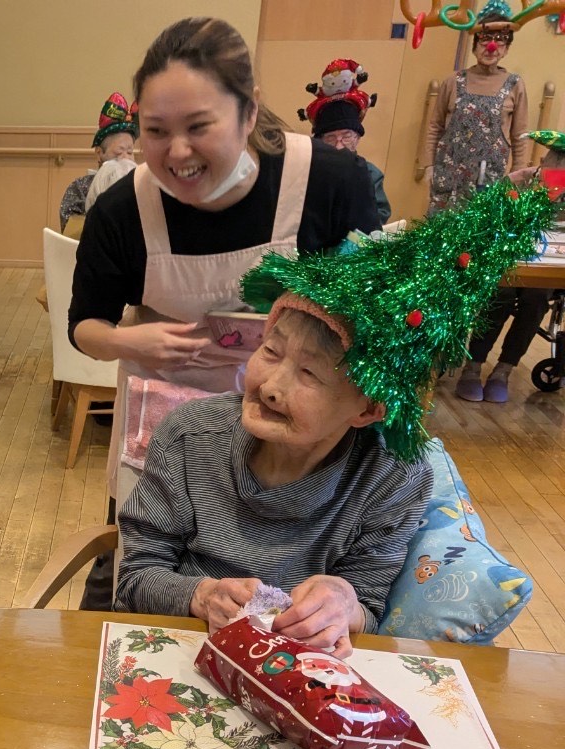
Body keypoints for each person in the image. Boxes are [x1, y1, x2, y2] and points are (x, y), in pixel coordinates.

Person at [115, 180, 555, 655]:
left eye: (308, 373)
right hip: (177, 649)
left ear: (367, 408)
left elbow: (367, 601)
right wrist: (199, 595)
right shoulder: (190, 437)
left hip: (299, 677)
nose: (271, 385)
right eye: (270, 350)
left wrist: (344, 602)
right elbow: (135, 579)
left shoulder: (392, 477)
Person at [67, 16, 379, 610]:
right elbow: (84, 326)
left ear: (249, 111)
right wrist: (133, 344)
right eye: (154, 130)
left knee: (278, 589)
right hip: (167, 420)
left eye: (199, 127)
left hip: (299, 432)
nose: (176, 153)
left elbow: (378, 323)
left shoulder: (328, 183)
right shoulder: (122, 210)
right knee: (138, 574)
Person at [455, 129, 565, 402]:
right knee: (501, 294)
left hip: (548, 267)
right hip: (505, 261)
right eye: (553, 175)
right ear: (541, 162)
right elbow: (486, 223)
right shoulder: (516, 182)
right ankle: (473, 366)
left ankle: (503, 370)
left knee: (536, 298)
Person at [423, 3, 529, 213]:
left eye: (500, 40)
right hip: (448, 179)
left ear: (507, 49)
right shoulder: (453, 81)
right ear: (474, 45)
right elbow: (435, 126)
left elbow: (520, 136)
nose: (491, 47)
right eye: (485, 39)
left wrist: (518, 175)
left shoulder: (515, 85)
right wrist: (429, 165)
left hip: (489, 180)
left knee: (480, 236)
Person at [59, 92, 137, 234]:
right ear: (100, 153)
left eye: (130, 152)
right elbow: (71, 235)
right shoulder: (80, 189)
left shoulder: (141, 185)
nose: (126, 159)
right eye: (119, 153)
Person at [310, 98, 391, 225]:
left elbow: (381, 213)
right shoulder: (310, 171)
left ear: (357, 138)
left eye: (346, 137)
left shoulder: (370, 173)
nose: (339, 146)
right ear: (320, 141)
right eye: (330, 138)